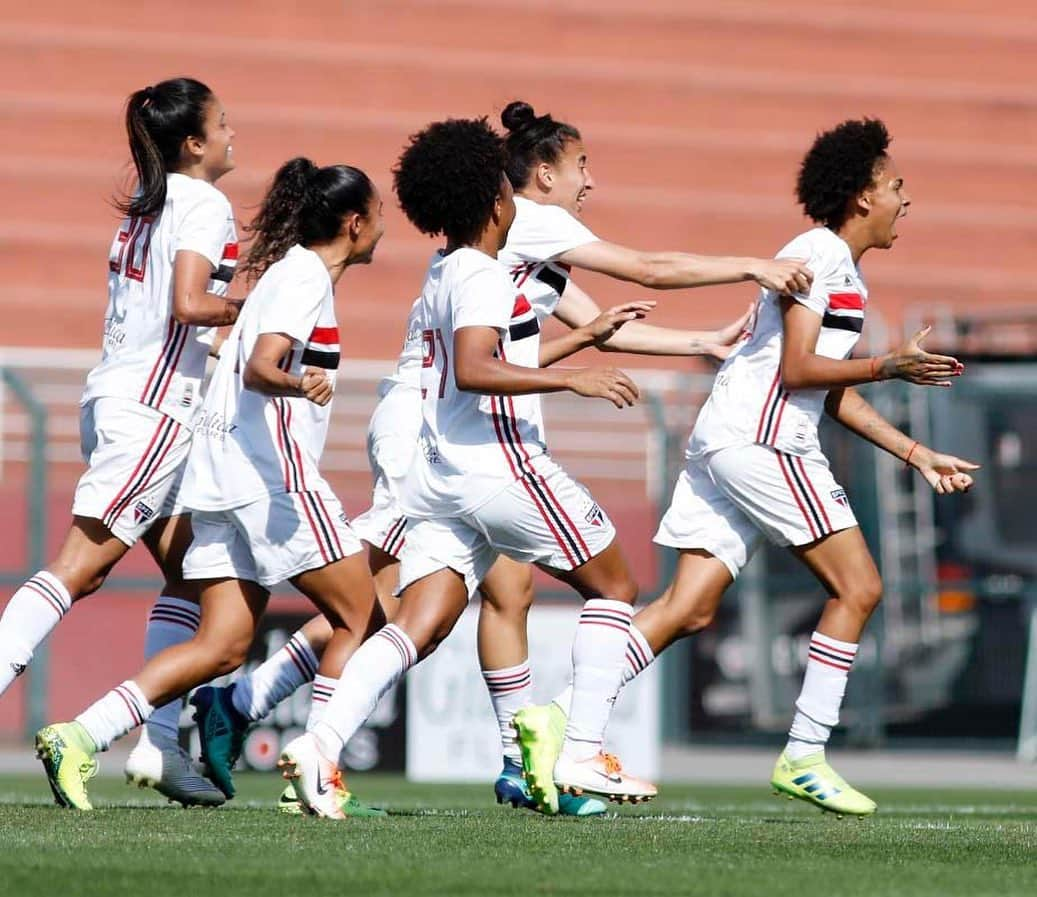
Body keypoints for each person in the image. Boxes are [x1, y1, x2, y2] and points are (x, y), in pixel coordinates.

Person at [193, 99, 811, 815]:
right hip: (465, 437)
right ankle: (561, 750)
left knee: (438, 608)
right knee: (566, 589)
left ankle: (338, 740)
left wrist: (697, 343)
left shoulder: (482, 255)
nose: (589, 182)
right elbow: (641, 270)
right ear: (534, 175)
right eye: (581, 165)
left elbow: (589, 328)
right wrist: (753, 266)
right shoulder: (522, 229)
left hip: (443, 444)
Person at [516, 117, 980, 817]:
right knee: (859, 587)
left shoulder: (834, 264)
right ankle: (805, 752)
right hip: (764, 442)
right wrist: (888, 364)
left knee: (687, 606)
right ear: (860, 196)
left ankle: (556, 716)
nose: (904, 200)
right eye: (895, 186)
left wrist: (914, 453)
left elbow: (829, 388)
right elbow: (798, 371)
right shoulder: (818, 255)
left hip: (730, 437)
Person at [273, 116, 656, 819]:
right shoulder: (482, 273)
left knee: (424, 617)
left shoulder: (447, 266)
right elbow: (480, 369)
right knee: (614, 587)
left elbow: (469, 366)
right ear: (496, 203)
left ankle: (320, 740)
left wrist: (580, 342)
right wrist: (571, 378)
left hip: (442, 473)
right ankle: (579, 748)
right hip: (498, 464)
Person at [33, 158, 386, 812]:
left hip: (221, 484)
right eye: (378, 217)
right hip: (273, 481)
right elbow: (260, 367)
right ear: (354, 222)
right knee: (363, 616)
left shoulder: (289, 278)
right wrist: (295, 381)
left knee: (221, 646)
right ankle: (318, 769)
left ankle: (81, 734)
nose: (383, 231)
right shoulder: (305, 276)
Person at [0, 77, 240, 806]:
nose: (234, 133)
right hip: (155, 412)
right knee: (81, 567)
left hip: (123, 399)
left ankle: (161, 745)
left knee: (199, 586)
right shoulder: (203, 202)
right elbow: (191, 304)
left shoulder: (146, 206)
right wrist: (257, 307)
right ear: (193, 142)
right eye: (223, 123)